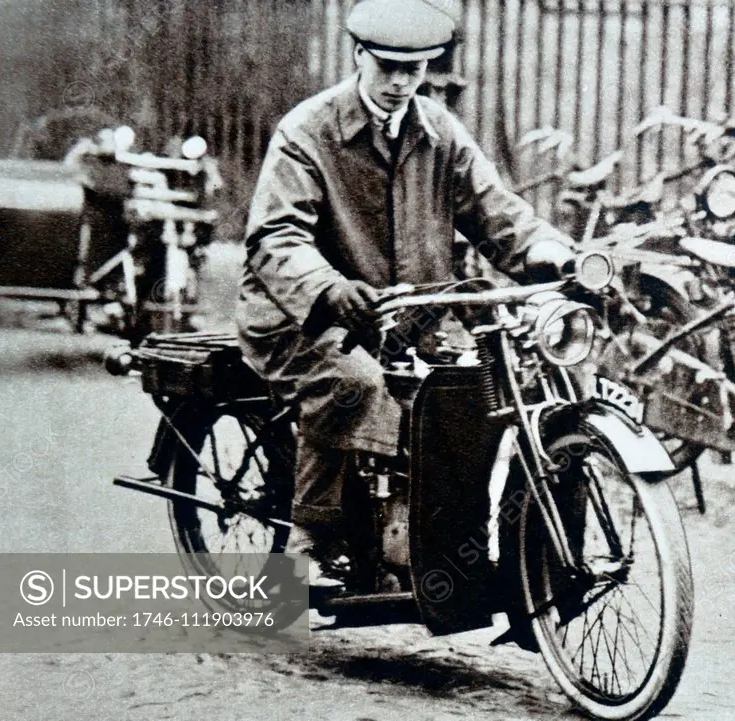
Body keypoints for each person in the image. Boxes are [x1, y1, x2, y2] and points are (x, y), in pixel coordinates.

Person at [237, 0, 575, 587]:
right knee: (355, 385)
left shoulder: (439, 130)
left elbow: (495, 211)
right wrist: (329, 288)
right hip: (301, 315)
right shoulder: (307, 130)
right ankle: (310, 541)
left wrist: (547, 251)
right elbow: (275, 235)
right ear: (360, 56)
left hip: (407, 315)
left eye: (413, 70)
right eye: (387, 67)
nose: (399, 83)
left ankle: (429, 543)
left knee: (468, 389)